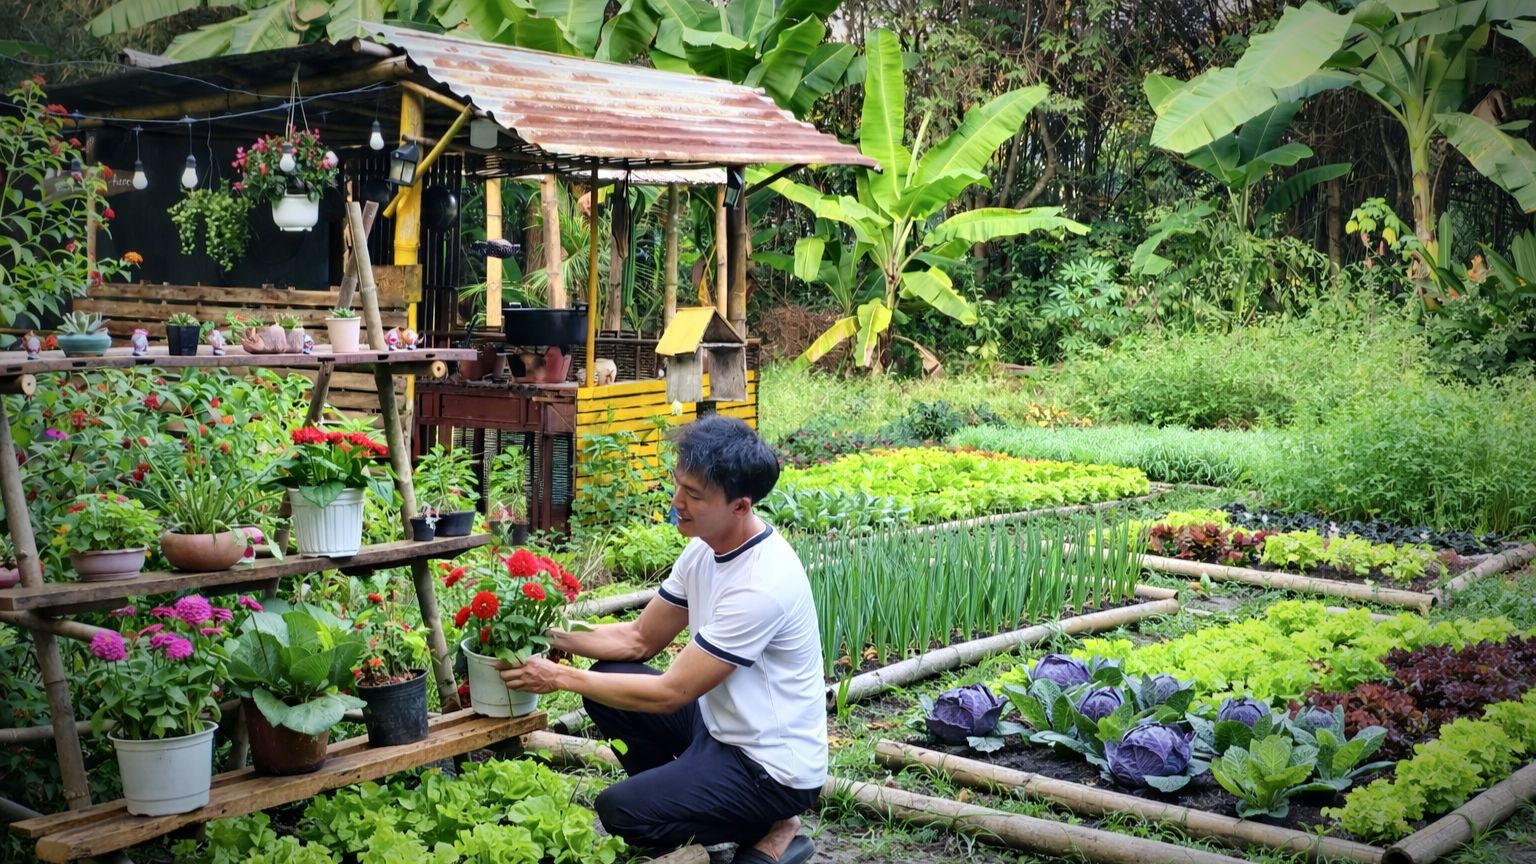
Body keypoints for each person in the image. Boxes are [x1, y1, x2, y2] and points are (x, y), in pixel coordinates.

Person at [499, 415, 823, 864]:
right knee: (611, 678)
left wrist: (557, 677)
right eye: (678, 485)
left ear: (740, 507)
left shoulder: (761, 584)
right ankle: (687, 802)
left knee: (620, 811)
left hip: (771, 767)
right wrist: (544, 632)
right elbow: (638, 638)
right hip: (721, 728)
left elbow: (672, 693)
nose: (677, 502)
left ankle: (773, 829)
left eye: (694, 495)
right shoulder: (704, 548)